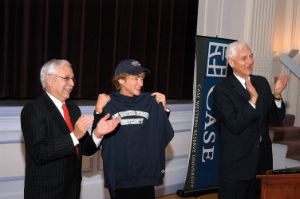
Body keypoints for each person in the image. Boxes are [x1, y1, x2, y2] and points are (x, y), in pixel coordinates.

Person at [21, 59, 120, 199]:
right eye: (66, 78)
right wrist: (74, 136)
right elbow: (39, 153)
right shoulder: (33, 109)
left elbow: (86, 149)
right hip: (46, 192)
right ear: (49, 79)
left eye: (73, 79)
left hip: (72, 189)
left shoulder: (73, 109)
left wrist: (98, 133)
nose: (72, 83)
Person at [213, 41, 290, 199]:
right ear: (231, 63)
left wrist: (276, 95)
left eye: (251, 56)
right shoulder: (222, 89)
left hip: (262, 162)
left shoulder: (261, 82)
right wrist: (252, 100)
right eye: (244, 58)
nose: (250, 61)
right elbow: (235, 125)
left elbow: (275, 118)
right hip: (237, 164)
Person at [93, 59, 174, 199]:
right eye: (136, 79)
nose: (141, 83)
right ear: (121, 80)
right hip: (119, 177)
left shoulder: (151, 102)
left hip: (145, 176)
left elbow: (163, 135)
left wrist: (163, 109)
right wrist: (99, 111)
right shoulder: (108, 103)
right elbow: (96, 140)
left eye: (142, 78)